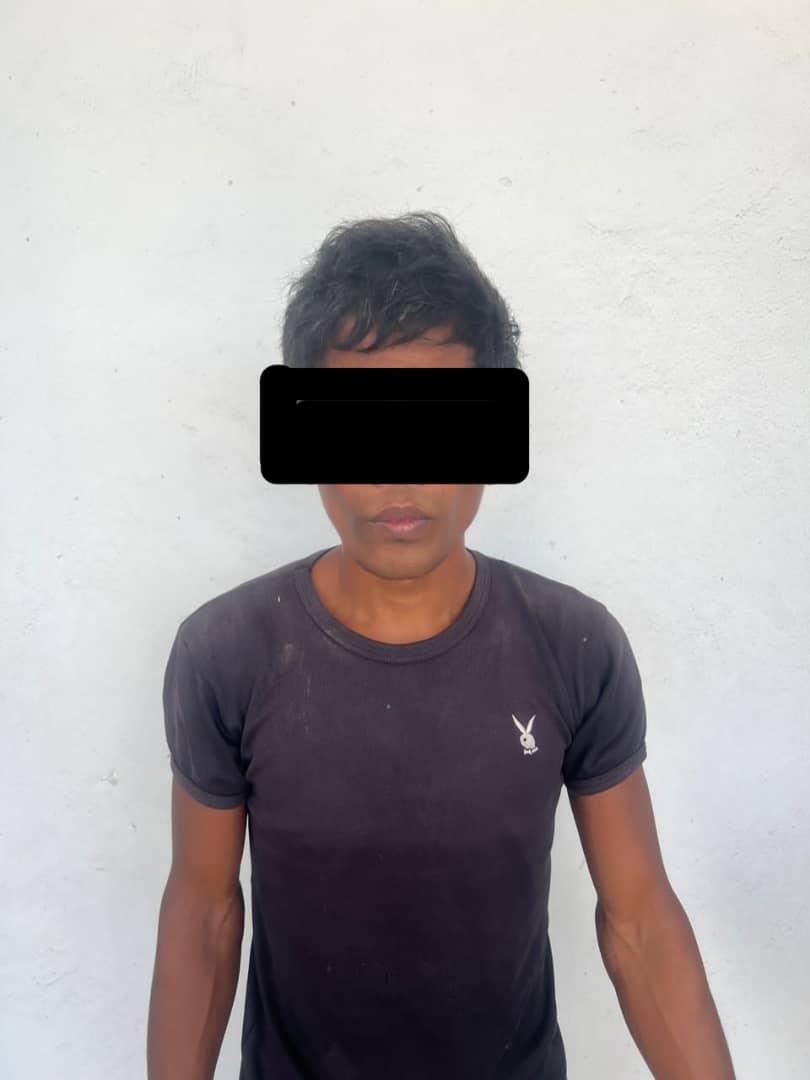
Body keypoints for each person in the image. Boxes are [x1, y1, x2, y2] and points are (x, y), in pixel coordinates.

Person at [147, 212, 736, 1079]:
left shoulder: (573, 646)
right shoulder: (228, 652)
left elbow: (640, 918)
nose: (401, 473)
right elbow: (203, 914)